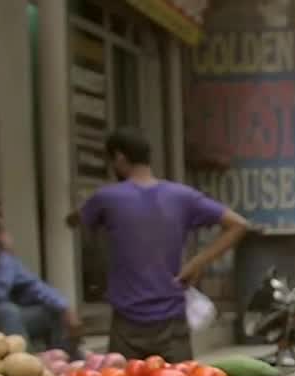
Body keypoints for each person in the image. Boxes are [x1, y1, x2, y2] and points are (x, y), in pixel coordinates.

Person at [70, 127, 248, 362]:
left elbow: (77, 220)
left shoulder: (106, 198)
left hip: (126, 325)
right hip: (172, 324)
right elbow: (239, 224)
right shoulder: (182, 196)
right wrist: (197, 263)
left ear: (120, 158)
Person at [0, 199, 81, 353]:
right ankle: (28, 370)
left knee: (54, 311)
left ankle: (71, 367)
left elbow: (32, 284)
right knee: (5, 310)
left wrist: (65, 307)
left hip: (1, 321)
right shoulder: (3, 256)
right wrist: (6, 255)